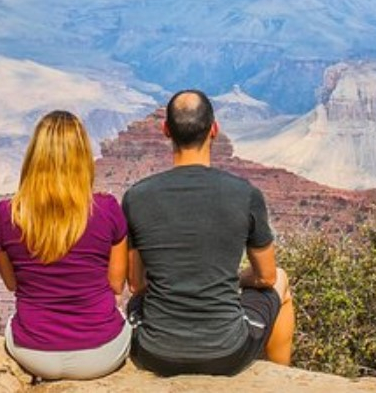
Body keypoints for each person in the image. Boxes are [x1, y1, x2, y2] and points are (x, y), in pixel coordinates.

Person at [122, 89, 294, 376]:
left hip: (155, 353)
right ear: (214, 130)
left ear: (166, 130)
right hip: (227, 352)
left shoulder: (136, 196)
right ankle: (280, 376)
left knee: (137, 303)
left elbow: (136, 284)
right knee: (282, 282)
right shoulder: (245, 194)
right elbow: (266, 277)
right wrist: (232, 279)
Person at [0, 110, 130, 381]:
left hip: (33, 352)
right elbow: (116, 284)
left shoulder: (7, 213)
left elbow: (12, 284)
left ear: (34, 157)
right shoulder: (107, 208)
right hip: (100, 352)